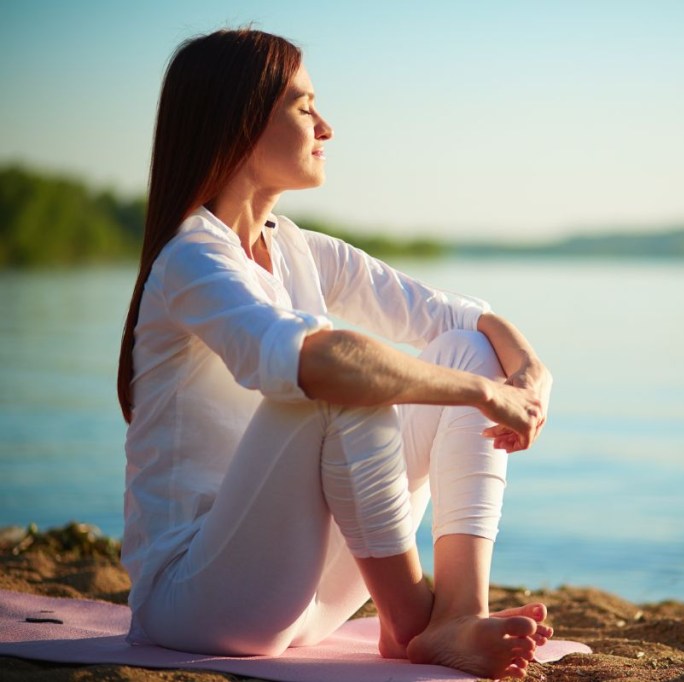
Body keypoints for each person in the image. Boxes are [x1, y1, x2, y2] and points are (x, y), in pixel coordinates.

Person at [115, 28, 554, 680]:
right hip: (196, 600)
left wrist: (528, 373)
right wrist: (483, 395)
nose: (326, 126)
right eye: (303, 106)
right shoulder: (192, 258)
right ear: (238, 123)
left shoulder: (296, 248)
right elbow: (320, 362)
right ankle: (411, 623)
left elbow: (465, 319)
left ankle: (456, 612)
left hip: (307, 598)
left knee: (462, 350)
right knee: (337, 379)